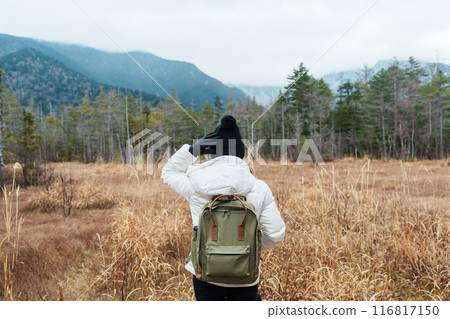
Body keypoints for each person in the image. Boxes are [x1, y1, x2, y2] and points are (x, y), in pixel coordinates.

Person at [161, 114, 285, 301]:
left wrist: (193, 150)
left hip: (205, 274)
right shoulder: (260, 188)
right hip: (246, 276)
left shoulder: (195, 186)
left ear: (211, 153)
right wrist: (247, 251)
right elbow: (275, 234)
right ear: (240, 154)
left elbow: (168, 172)